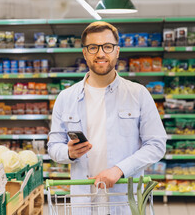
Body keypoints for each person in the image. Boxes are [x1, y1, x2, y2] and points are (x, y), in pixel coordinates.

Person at [47, 21, 167, 213]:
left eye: (107, 47)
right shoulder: (65, 98)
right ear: (85, 53)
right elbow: (53, 147)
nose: (101, 53)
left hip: (125, 202)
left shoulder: (138, 94)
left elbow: (156, 145)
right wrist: (68, 153)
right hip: (83, 201)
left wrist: (119, 170)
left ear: (117, 51)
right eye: (93, 47)